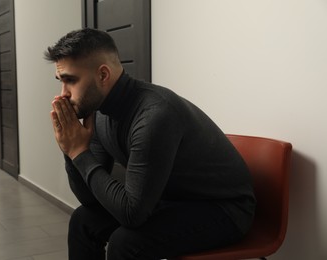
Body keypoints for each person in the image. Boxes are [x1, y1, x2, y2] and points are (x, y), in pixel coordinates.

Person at [45, 28, 256, 260]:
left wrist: (79, 152)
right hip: (170, 202)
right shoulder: (100, 113)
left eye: (70, 81)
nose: (62, 94)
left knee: (125, 243)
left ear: (103, 75)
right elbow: (89, 199)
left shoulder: (155, 115)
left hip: (224, 210)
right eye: (61, 81)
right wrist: (70, 148)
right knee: (83, 220)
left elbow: (132, 214)